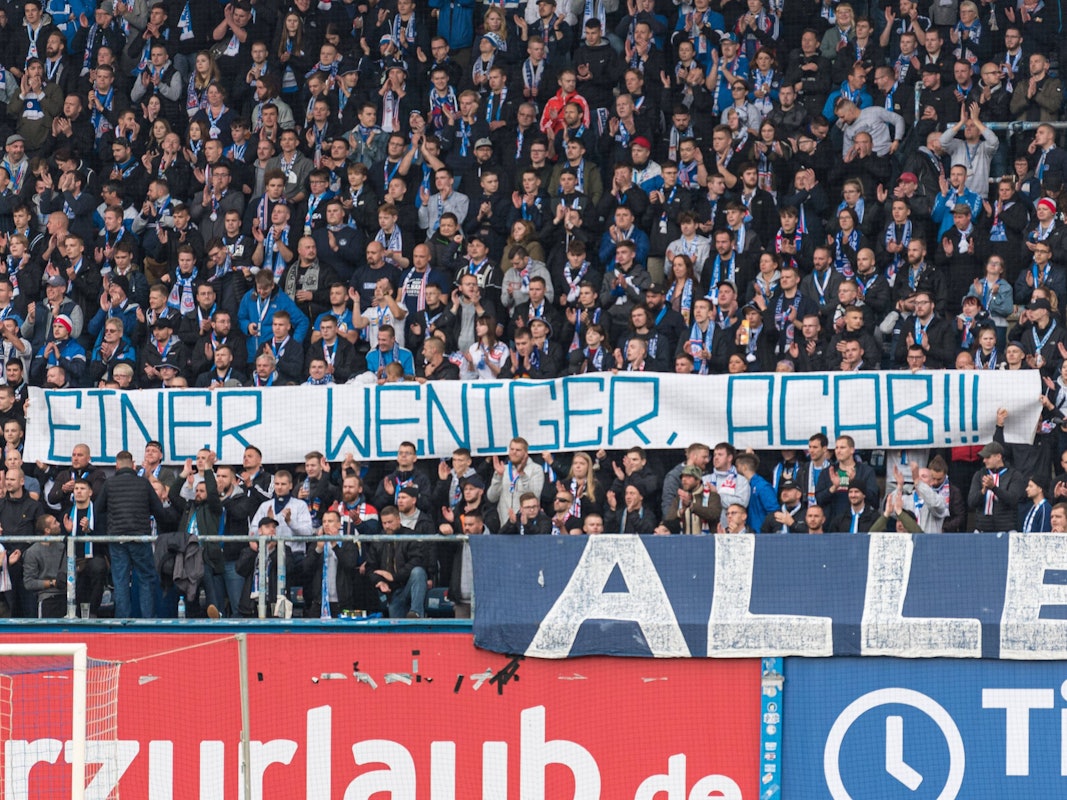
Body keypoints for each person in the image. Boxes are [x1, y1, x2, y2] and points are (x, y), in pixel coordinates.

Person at [96, 450, 167, 619]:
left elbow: (98, 509)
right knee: (145, 578)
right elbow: (159, 510)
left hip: (117, 538)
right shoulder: (143, 483)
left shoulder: (109, 484)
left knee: (120, 580)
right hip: (140, 537)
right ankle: (147, 620)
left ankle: (123, 620)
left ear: (117, 465)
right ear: (133, 465)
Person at [364, 505, 432, 618]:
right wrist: (379, 581)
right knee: (397, 627)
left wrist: (394, 576)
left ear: (398, 519)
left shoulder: (411, 536)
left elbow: (418, 561)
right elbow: (370, 568)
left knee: (418, 572)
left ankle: (416, 612)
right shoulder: (378, 540)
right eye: (384, 523)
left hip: (409, 585)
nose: (387, 526)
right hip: (392, 592)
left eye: (390, 522)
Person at [968, 440, 1026, 532]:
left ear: (999, 456)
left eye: (988, 457)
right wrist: (983, 491)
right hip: (982, 529)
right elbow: (971, 502)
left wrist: (994, 488)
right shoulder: (979, 475)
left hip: (1006, 529)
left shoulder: (1014, 475)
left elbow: (1013, 500)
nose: (984, 460)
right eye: (984, 458)